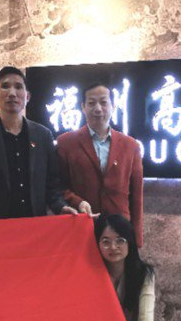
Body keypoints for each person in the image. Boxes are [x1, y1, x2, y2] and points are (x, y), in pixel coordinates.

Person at [0, 66, 75, 219]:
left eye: (18, 87)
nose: (12, 93)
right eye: (5, 86)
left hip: (34, 225)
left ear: (28, 96)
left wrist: (61, 207)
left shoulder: (43, 136)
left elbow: (52, 185)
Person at [57, 79, 145, 246]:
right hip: (81, 229)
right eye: (91, 103)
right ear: (83, 107)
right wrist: (77, 202)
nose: (98, 109)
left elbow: (136, 197)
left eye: (104, 102)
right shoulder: (66, 143)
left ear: (113, 106)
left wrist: (136, 240)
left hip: (120, 233)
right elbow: (59, 187)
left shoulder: (131, 145)